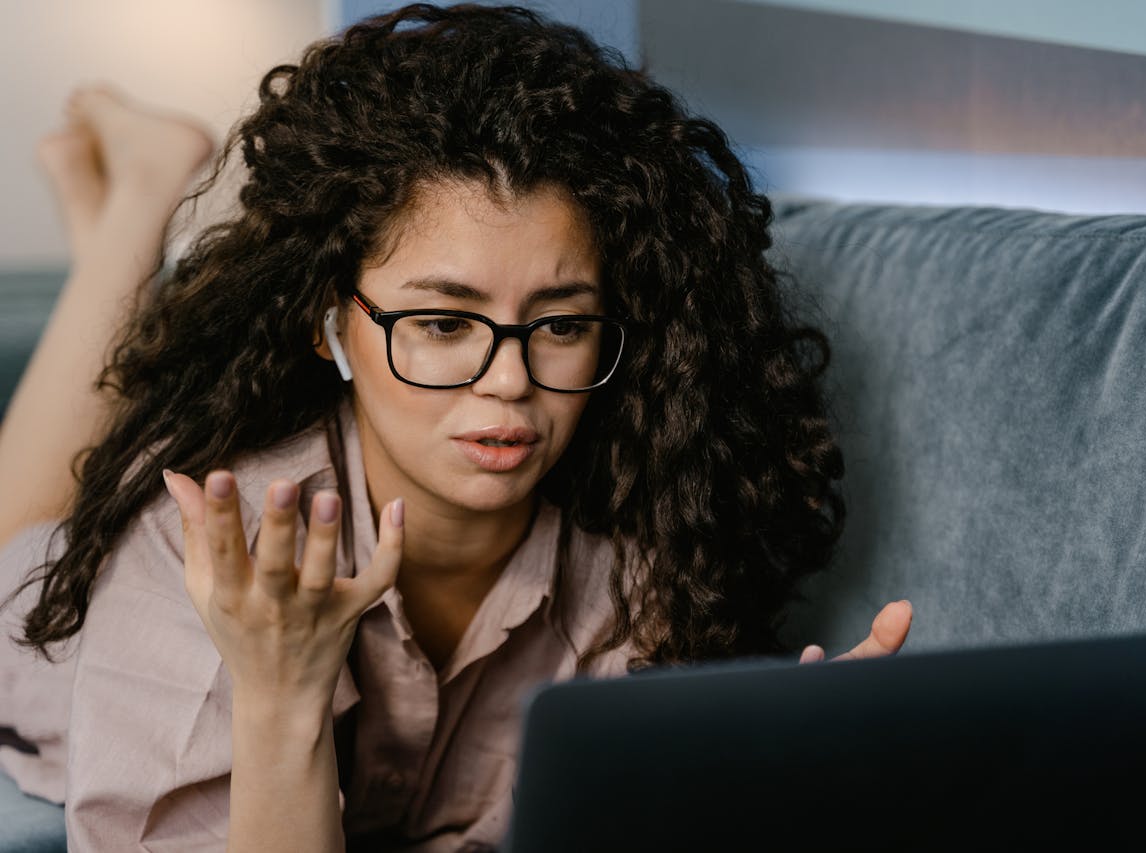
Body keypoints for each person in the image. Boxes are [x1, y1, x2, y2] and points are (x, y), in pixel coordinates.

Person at [0, 4, 913, 850]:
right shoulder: (196, 540)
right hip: (50, 634)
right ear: (330, 324)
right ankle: (132, 206)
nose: (509, 384)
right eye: (441, 324)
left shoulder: (643, 564)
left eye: (559, 325)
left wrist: (775, 785)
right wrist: (281, 696)